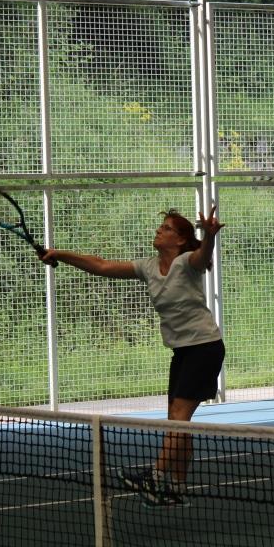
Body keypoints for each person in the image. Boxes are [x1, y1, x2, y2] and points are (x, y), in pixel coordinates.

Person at [40, 206, 225, 507]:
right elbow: (101, 266)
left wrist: (209, 236)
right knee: (178, 421)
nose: (159, 230)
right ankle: (176, 488)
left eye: (166, 228)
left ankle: (154, 475)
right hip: (182, 351)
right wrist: (59, 254)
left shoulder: (186, 262)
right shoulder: (148, 267)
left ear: (180, 240)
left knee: (179, 418)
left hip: (204, 348)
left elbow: (203, 256)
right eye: (161, 226)